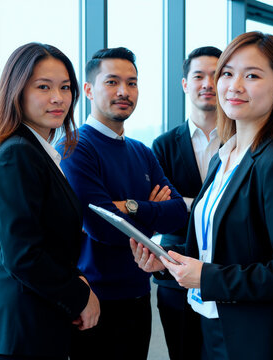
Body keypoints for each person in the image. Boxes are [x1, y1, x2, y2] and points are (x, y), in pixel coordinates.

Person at [132, 31, 273, 360]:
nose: (234, 86)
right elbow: (213, 247)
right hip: (210, 328)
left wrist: (206, 276)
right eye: (227, 74)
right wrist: (165, 261)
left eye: (252, 76)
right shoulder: (224, 157)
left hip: (257, 340)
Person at [0, 43, 100, 360]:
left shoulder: (35, 151)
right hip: (17, 332)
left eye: (65, 87)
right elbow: (23, 255)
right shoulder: (17, 154)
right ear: (16, 92)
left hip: (30, 326)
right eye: (43, 87)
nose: (58, 98)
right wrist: (80, 296)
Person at [58, 47, 187, 360]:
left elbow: (179, 214)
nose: (124, 91)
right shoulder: (74, 147)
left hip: (139, 296)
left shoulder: (142, 151)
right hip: (94, 302)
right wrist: (151, 210)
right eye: (112, 82)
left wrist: (130, 207)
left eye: (132, 83)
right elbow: (103, 227)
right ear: (87, 90)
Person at [151, 45, 222, 359]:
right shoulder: (163, 144)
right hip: (174, 272)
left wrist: (183, 203)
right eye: (199, 76)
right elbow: (161, 213)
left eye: (216, 75)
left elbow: (174, 206)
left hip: (225, 271)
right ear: (185, 84)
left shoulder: (242, 140)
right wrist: (212, 205)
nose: (207, 83)